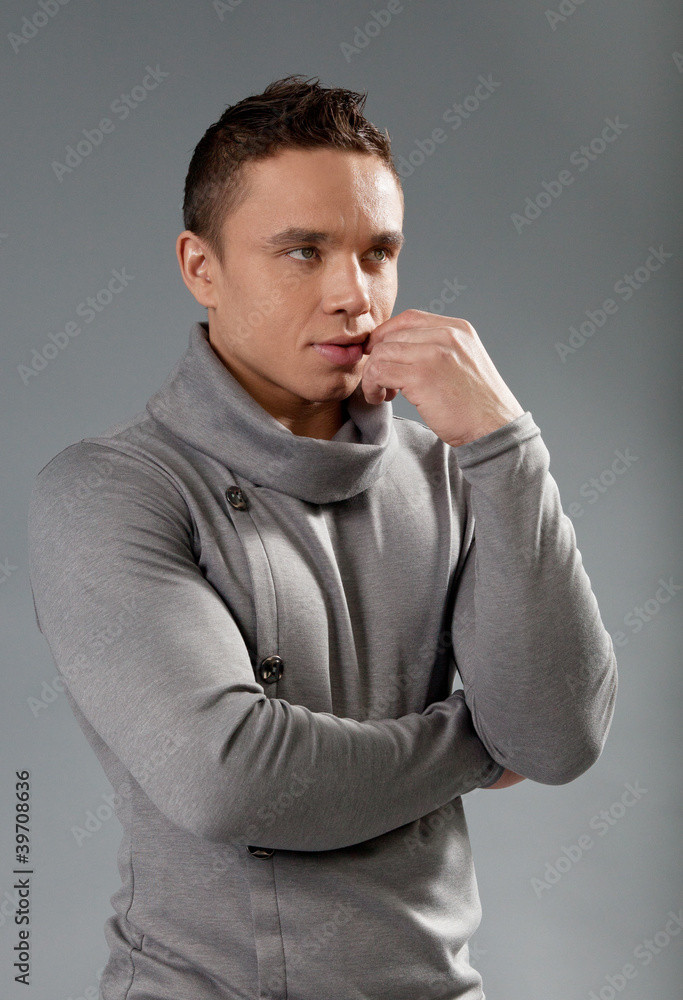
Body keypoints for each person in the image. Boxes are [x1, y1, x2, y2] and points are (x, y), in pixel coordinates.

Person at [27, 74, 618, 1000]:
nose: (355, 294)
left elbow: (559, 741)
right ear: (200, 267)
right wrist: (477, 744)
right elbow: (231, 779)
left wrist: (503, 443)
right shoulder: (108, 491)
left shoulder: (454, 472)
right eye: (303, 251)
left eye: (378, 252)